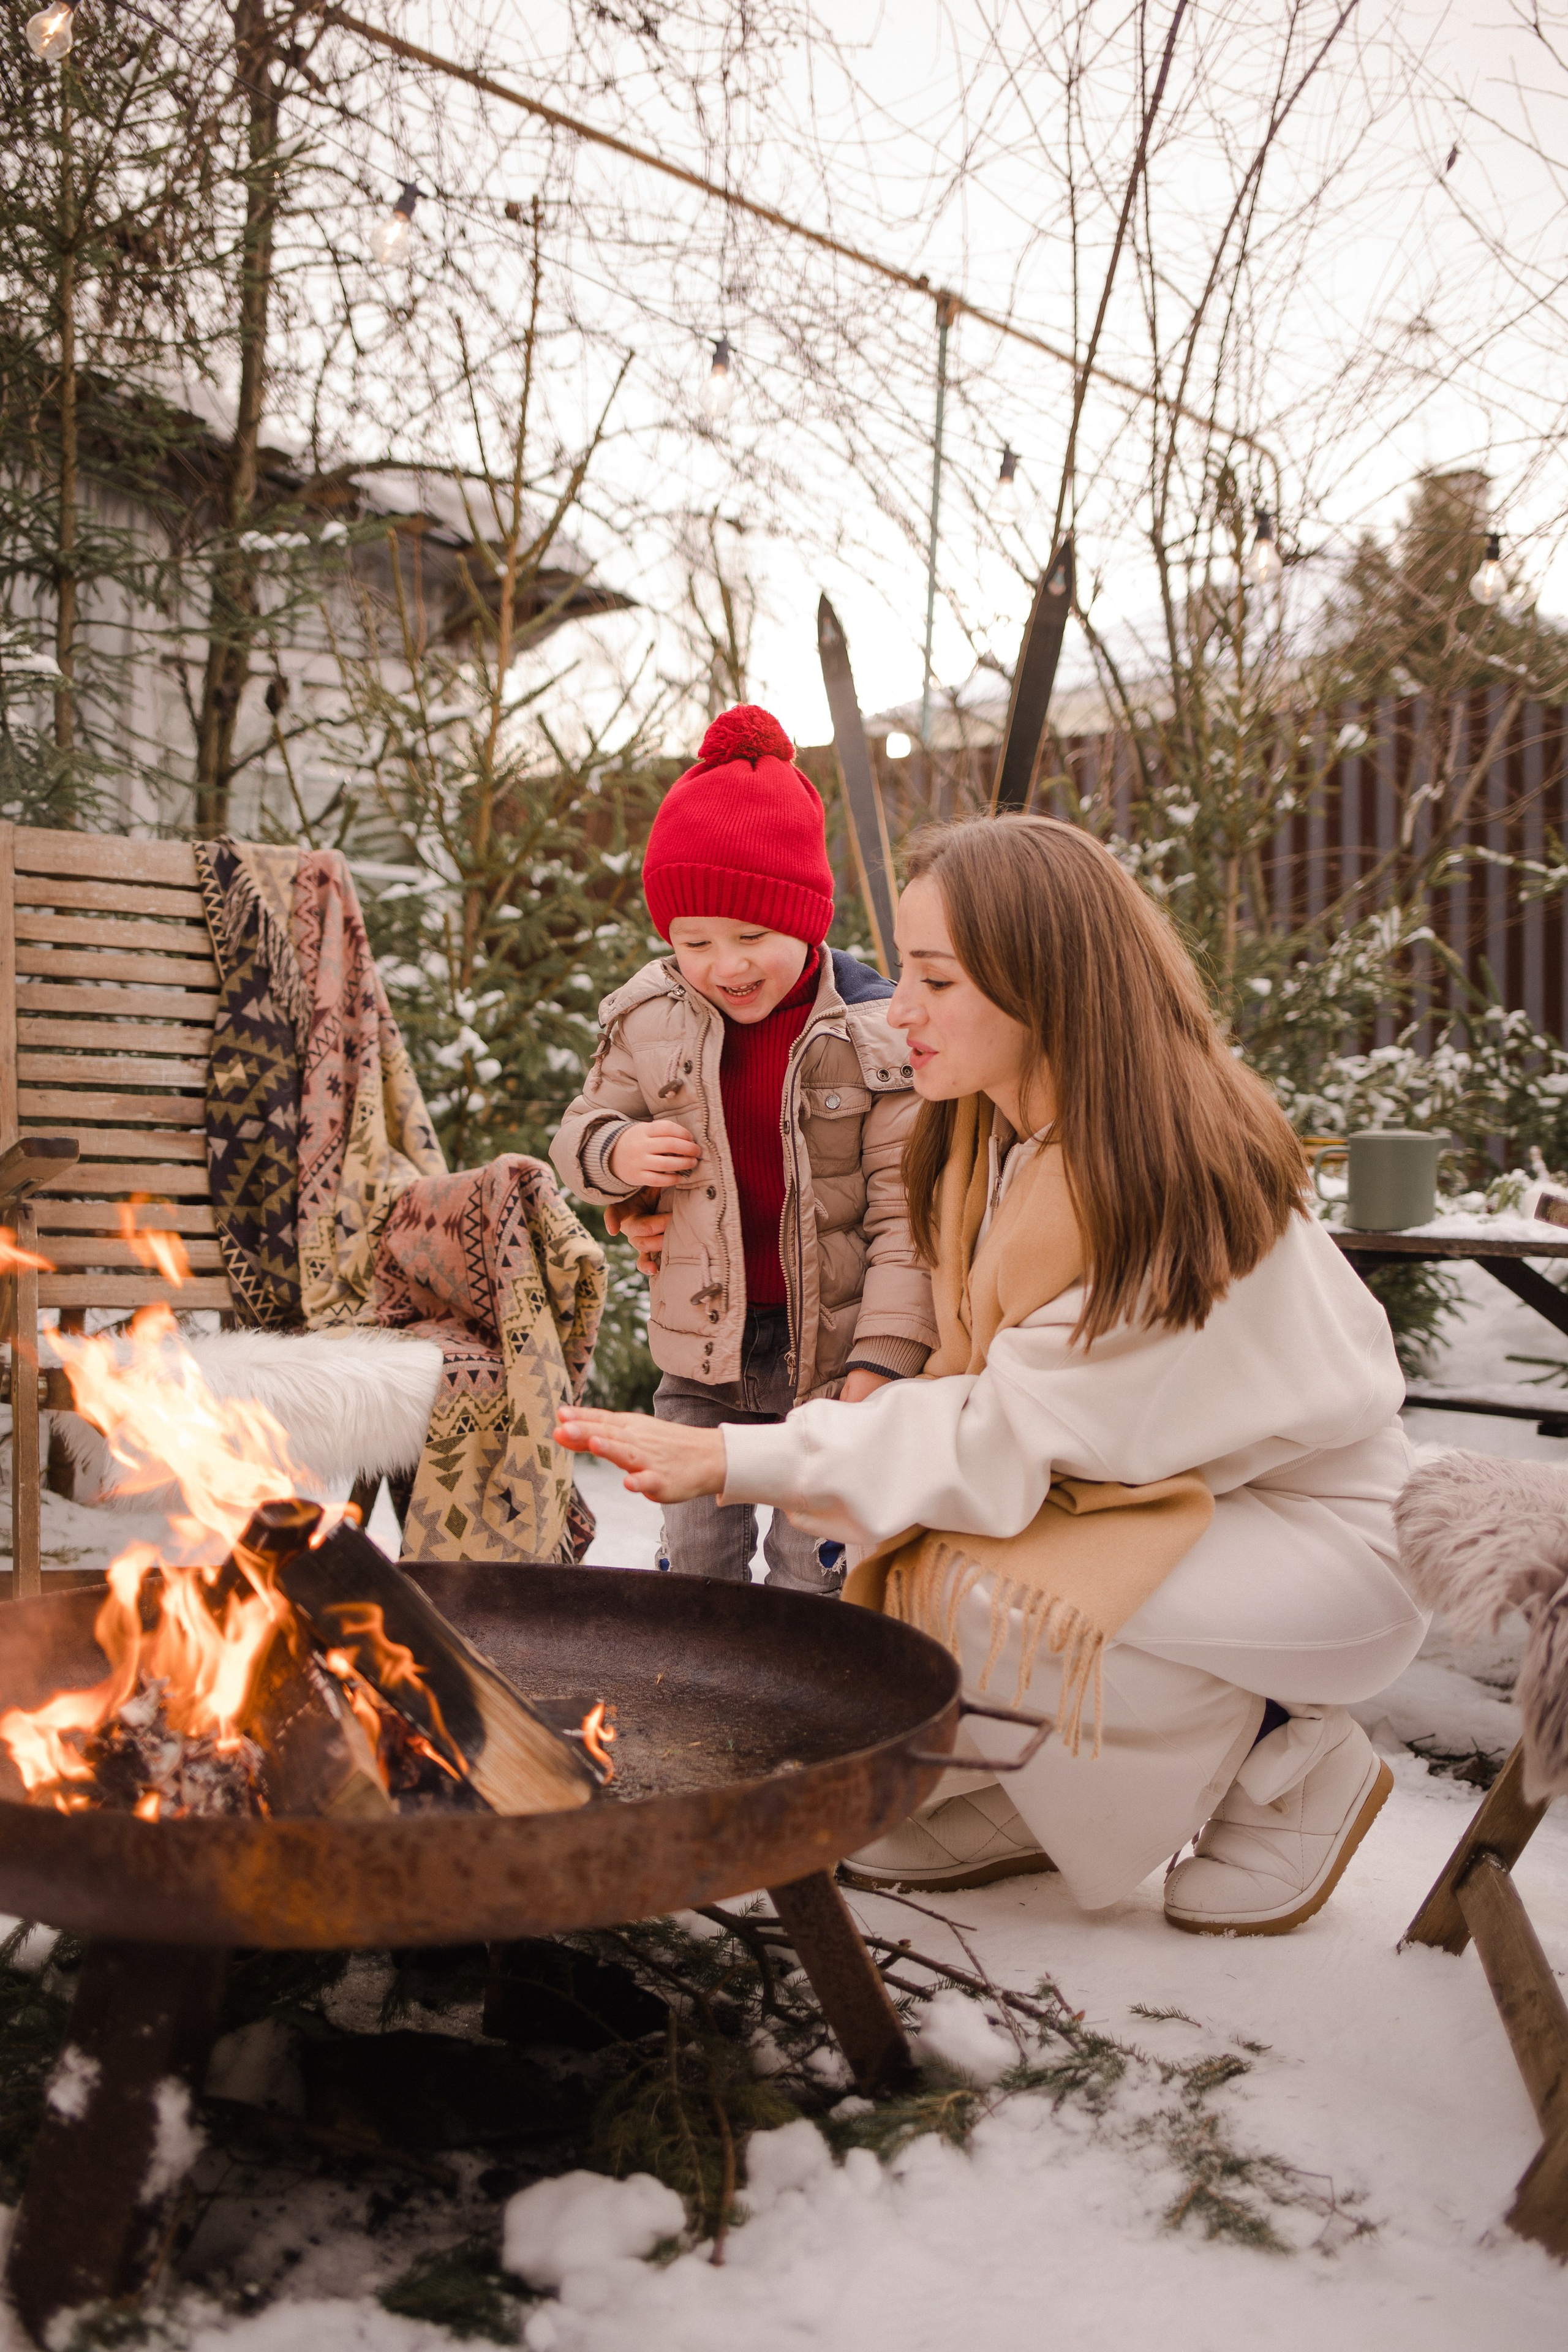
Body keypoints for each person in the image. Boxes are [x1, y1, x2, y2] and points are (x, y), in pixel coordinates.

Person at [555, 815, 1428, 1938]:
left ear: (1044, 987)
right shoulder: (996, 1136)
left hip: (1314, 1548)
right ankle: (1044, 1798)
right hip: (1157, 1502)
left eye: (934, 978)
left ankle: (1290, 1759)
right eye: (901, 969)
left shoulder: (1157, 1178)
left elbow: (997, 1432)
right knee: (906, 1547)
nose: (898, 1007)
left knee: (966, 1577)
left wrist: (736, 1453)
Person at [550, 703, 935, 1591]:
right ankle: (698, 1705)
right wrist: (619, 1154)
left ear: (806, 916)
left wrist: (881, 1363)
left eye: (752, 936)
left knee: (816, 1575)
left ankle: (805, 1713)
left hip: (830, 1358)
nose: (726, 965)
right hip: (703, 1357)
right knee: (697, 1567)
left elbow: (902, 1217)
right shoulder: (649, 1017)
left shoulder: (877, 1033)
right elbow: (578, 1136)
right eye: (695, 942)